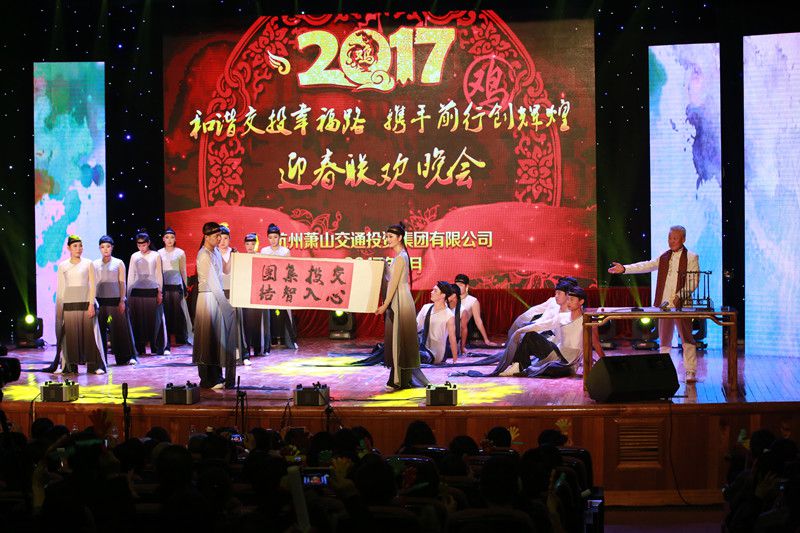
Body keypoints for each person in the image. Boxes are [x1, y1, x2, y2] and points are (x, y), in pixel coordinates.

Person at [608, 225, 700, 382]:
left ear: (683, 239)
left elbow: (693, 281)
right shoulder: (664, 257)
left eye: (675, 238)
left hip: (682, 304)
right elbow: (647, 265)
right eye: (669, 238)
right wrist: (624, 269)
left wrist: (680, 295)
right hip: (664, 305)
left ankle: (690, 371)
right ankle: (664, 369)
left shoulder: (691, 257)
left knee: (686, 338)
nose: (671, 241)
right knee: (664, 339)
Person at [501, 286, 604, 377]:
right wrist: (520, 331)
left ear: (581, 302)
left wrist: (606, 363)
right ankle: (519, 367)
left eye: (572, 299)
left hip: (568, 362)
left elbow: (595, 343)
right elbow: (542, 325)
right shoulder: (562, 317)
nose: (568, 302)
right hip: (556, 353)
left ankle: (530, 370)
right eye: (568, 299)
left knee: (551, 368)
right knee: (530, 335)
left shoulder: (587, 321)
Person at [375, 222, 429, 389]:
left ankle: (397, 379)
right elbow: (391, 280)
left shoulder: (400, 258)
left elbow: (393, 285)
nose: (388, 239)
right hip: (401, 298)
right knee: (401, 340)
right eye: (387, 236)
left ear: (400, 238)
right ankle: (401, 378)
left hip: (400, 300)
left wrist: (385, 305)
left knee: (399, 341)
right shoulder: (401, 256)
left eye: (391, 236)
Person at [52, 235, 106, 374]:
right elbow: (61, 287)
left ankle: (95, 366)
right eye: (75, 246)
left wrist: (91, 304)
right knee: (70, 336)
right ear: (69, 248)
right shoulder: (63, 265)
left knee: (90, 335)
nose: (78, 248)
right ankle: (69, 366)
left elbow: (92, 285)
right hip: (69, 304)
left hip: (85, 303)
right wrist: (60, 307)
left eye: (80, 245)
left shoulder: (88, 263)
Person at [193, 222, 236, 389]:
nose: (219, 239)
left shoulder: (216, 251)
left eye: (220, 236)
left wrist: (233, 257)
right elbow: (213, 283)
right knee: (207, 338)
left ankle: (217, 376)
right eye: (216, 236)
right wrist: (226, 305)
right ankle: (207, 379)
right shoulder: (203, 255)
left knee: (216, 337)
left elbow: (225, 270)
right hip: (208, 298)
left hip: (216, 298)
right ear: (206, 237)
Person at [93, 235, 138, 366]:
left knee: (119, 330)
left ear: (112, 247)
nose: (105, 249)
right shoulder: (94, 264)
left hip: (115, 302)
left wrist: (122, 300)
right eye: (102, 247)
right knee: (100, 330)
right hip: (100, 302)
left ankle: (125, 357)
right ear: (99, 248)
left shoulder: (118, 263)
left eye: (108, 246)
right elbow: (92, 283)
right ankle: (100, 359)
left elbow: (122, 282)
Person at [127, 231, 167, 356]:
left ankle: (157, 348)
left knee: (155, 320)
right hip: (137, 292)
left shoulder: (156, 255)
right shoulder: (134, 256)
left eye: (143, 245)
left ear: (148, 243)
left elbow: (158, 274)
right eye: (139, 245)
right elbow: (131, 275)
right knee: (138, 321)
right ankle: (140, 348)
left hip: (152, 291)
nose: (141, 248)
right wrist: (128, 294)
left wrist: (159, 292)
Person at [259, 223, 298, 350]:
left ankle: (290, 340)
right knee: (268, 313)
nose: (273, 240)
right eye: (270, 237)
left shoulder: (285, 251)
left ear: (279, 237)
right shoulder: (264, 251)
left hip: (282, 286)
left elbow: (290, 269)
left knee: (286, 313)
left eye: (275, 237)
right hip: (269, 286)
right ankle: (268, 341)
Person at [507, 276, 579, 339]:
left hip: (550, 334)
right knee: (519, 324)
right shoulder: (553, 301)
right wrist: (523, 320)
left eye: (559, 293)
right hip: (540, 326)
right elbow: (535, 310)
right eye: (556, 292)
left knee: (526, 335)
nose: (556, 296)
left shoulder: (573, 310)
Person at [158, 227, 193, 353]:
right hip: (164, 285)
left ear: (175, 239)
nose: (169, 240)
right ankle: (166, 338)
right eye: (167, 237)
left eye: (172, 237)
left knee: (179, 312)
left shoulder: (180, 252)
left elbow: (183, 270)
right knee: (166, 313)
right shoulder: (158, 253)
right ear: (163, 239)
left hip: (177, 285)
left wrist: (185, 286)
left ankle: (181, 337)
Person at [453, 274, 500, 350]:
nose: (458, 287)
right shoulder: (450, 298)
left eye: (461, 285)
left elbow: (478, 321)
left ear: (467, 286)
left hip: (458, 333)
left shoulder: (473, 301)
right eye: (456, 285)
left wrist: (486, 340)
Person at [417, 281, 460, 365]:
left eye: (435, 290)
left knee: (420, 356)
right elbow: (417, 327)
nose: (431, 292)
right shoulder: (426, 308)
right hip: (423, 346)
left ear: (443, 295)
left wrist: (455, 359)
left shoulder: (449, 315)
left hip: (436, 353)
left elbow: (452, 338)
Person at [241, 232, 266, 363]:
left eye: (252, 244)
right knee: (247, 322)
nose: (250, 246)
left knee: (257, 322)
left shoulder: (260, 257)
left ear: (256, 244)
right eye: (247, 244)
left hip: (258, 293)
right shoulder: (241, 258)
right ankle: (246, 348)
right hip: (245, 293)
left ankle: (258, 348)